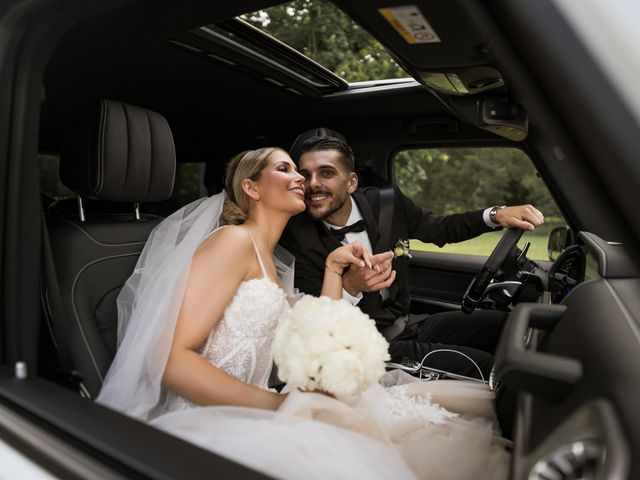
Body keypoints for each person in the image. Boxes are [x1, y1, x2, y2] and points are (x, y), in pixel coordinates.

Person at [97, 147, 510, 480]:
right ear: (252, 188)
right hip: (213, 418)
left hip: (259, 408)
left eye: (300, 169)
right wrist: (277, 408)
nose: (302, 179)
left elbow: (317, 332)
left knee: (437, 419)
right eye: (285, 168)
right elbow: (170, 360)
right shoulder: (231, 243)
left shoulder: (272, 260)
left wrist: (334, 268)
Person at [280, 129, 545, 379]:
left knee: (510, 326)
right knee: (487, 368)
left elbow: (440, 230)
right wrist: (350, 286)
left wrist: (496, 214)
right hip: (366, 347)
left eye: (326, 173)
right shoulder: (295, 236)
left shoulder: (387, 203)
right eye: (306, 175)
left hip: (407, 322)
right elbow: (314, 323)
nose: (313, 184)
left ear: (351, 183)